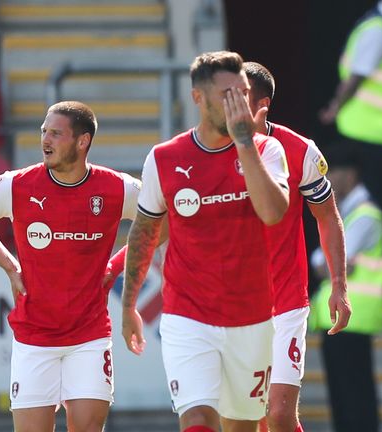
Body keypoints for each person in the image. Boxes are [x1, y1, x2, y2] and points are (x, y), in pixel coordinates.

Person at [120, 51, 289, 432]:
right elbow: (145, 232)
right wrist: (129, 303)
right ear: (198, 97)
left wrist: (245, 144)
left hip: (253, 316)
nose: (239, 104)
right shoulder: (164, 158)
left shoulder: (267, 150)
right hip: (187, 316)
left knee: (241, 426)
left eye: (243, 93)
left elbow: (272, 213)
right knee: (197, 419)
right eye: (227, 94)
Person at [0, 101, 141, 432]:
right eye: (43, 131)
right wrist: (10, 267)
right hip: (34, 337)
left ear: (82, 141)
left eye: (56, 133)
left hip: (90, 335)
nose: (45, 140)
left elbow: (162, 220)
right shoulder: (15, 185)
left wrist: (117, 264)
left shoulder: (116, 187)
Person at [243, 61, 352, 432]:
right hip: (231, 305)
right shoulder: (207, 149)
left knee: (278, 414)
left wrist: (339, 285)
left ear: (262, 105)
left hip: (285, 302)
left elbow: (327, 216)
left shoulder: (299, 150)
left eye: (236, 97)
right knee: (247, 415)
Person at [319, 0, 382, 297]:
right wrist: (335, 108)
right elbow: (357, 76)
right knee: (377, 211)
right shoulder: (378, 30)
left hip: (379, 138)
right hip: (365, 139)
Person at [308, 145, 382, 432]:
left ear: (351, 174)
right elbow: (322, 260)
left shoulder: (365, 214)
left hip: (353, 317)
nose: (330, 180)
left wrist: (332, 262)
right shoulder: (347, 212)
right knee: (343, 399)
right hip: (338, 317)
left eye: (335, 173)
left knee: (355, 399)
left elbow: (323, 263)